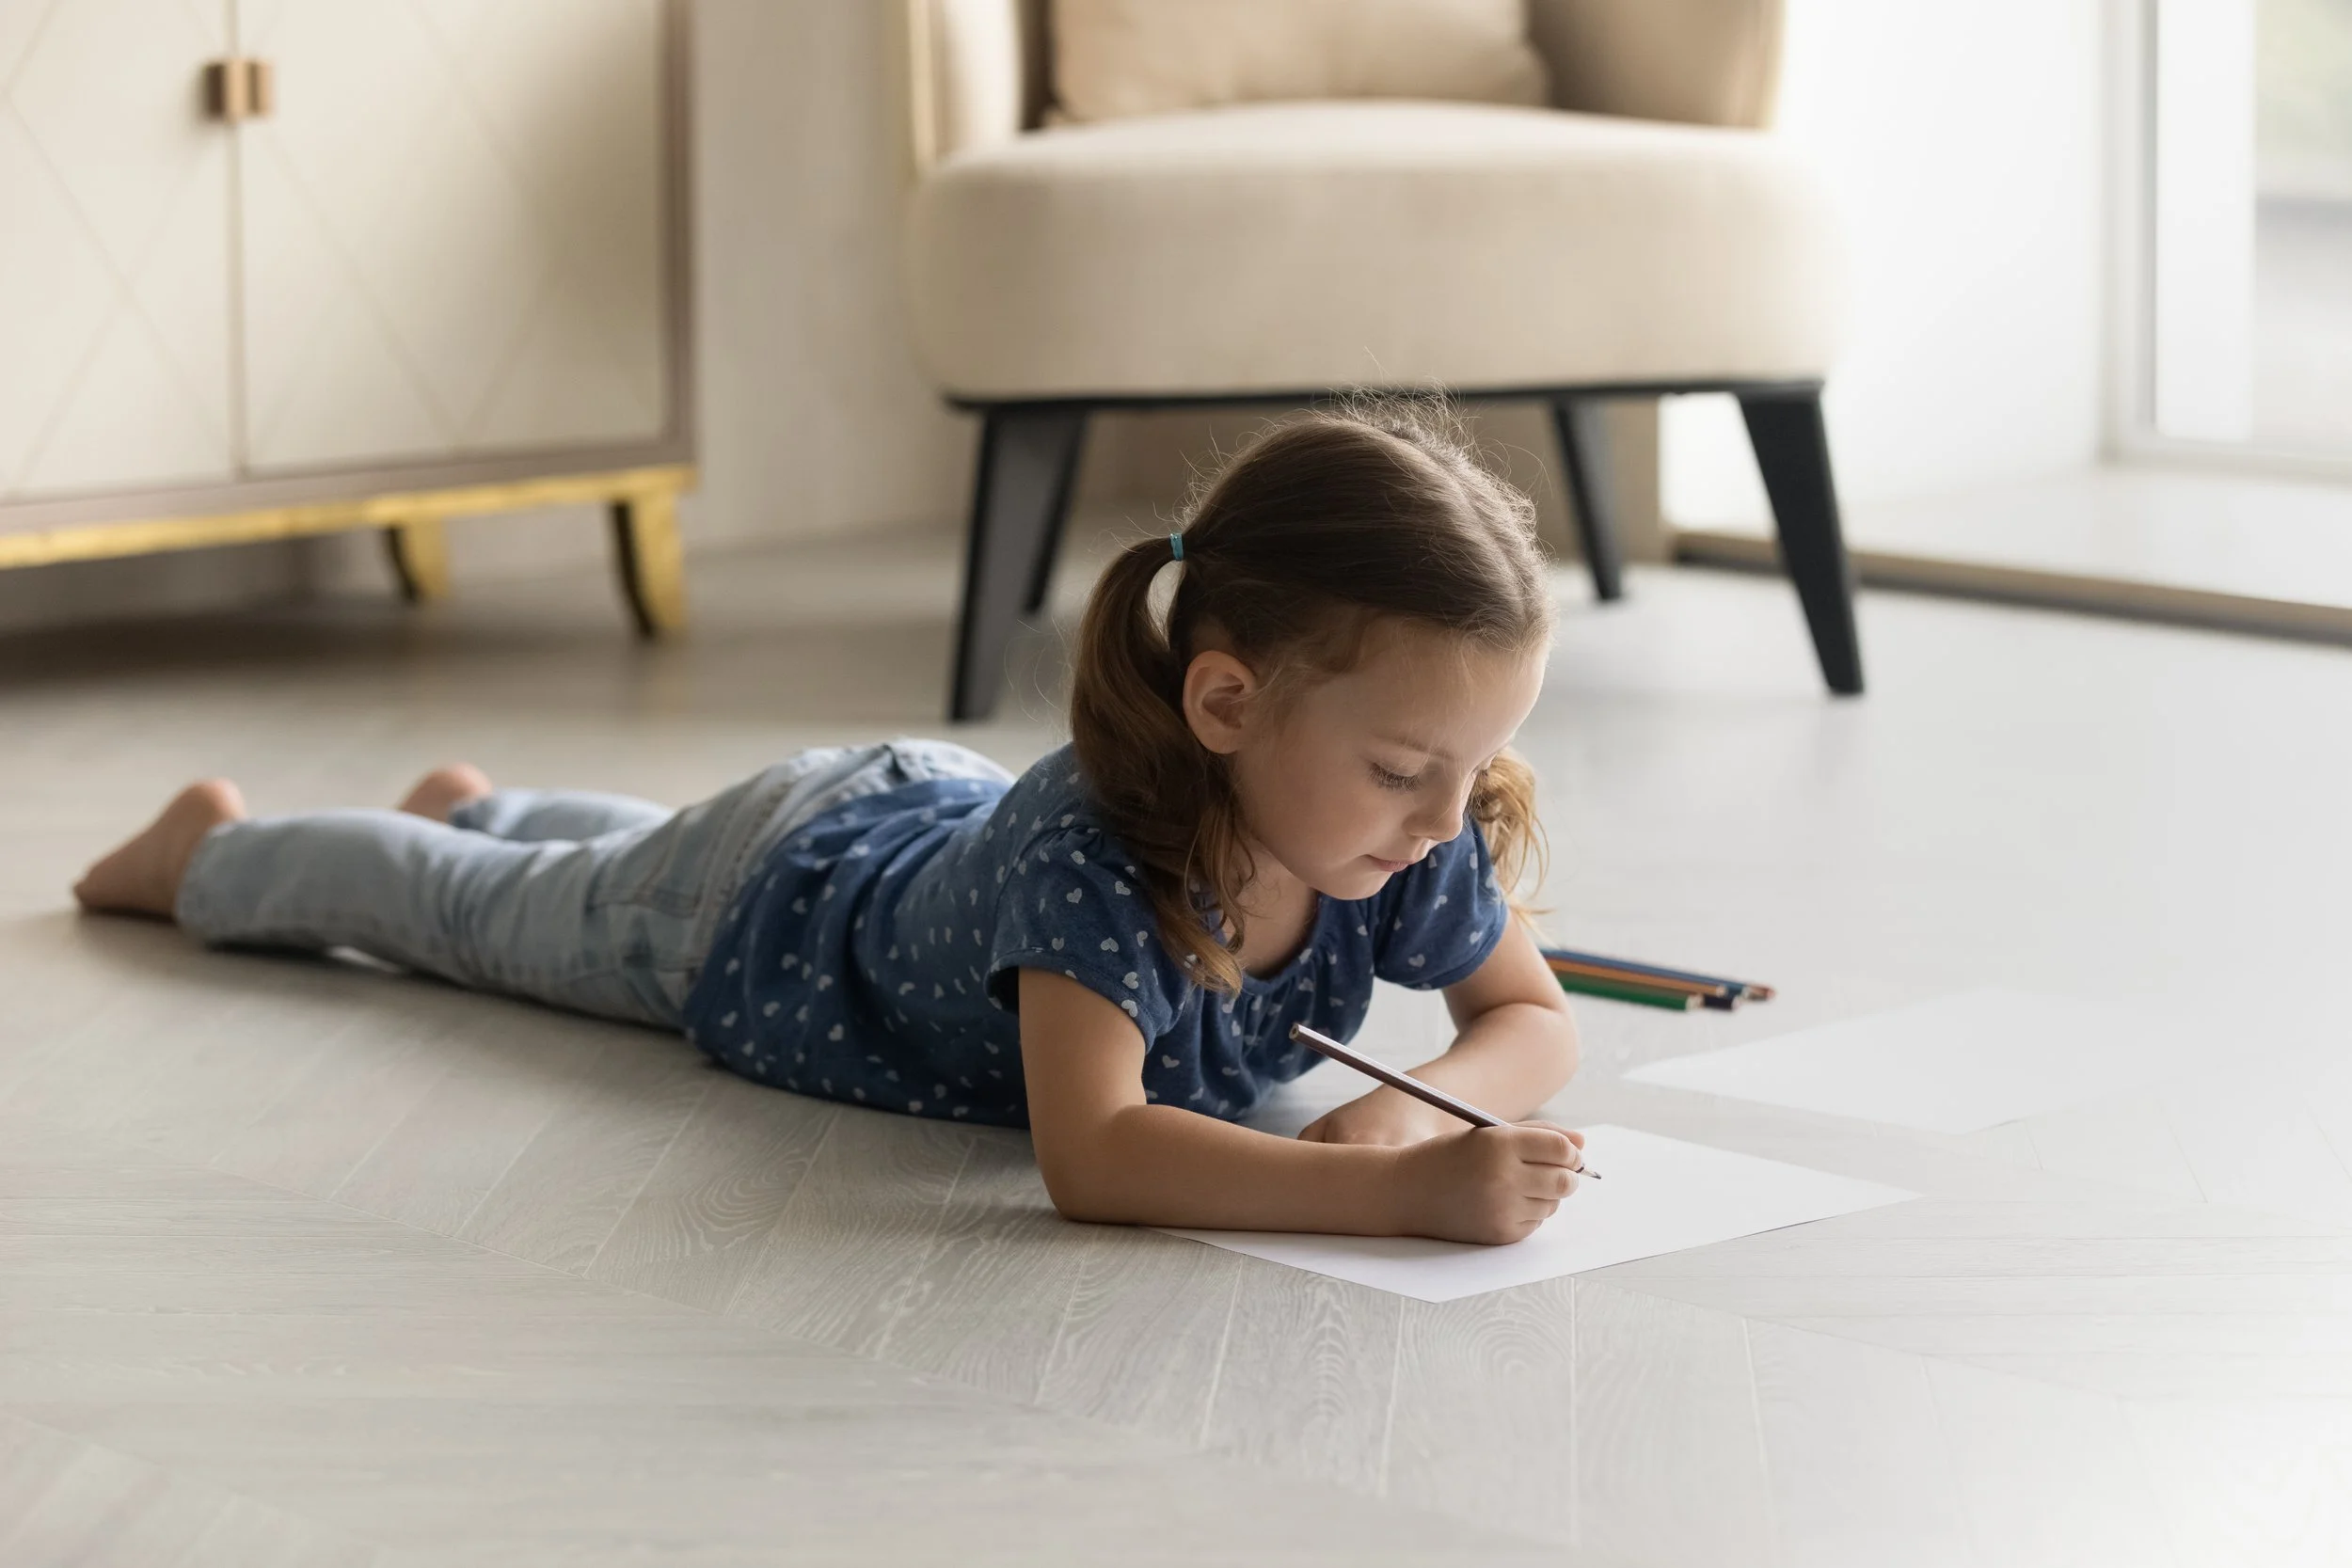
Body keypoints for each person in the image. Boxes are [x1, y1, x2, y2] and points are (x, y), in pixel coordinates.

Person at [74, 404, 1588, 1244]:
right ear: (1226, 703)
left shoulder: (1400, 832)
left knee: (602, 868)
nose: (1445, 816)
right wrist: (1384, 1191)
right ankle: (207, 854)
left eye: (1474, 766)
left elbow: (1528, 1014)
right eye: (1406, 766)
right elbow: (1098, 1153)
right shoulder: (1093, 863)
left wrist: (1410, 1103)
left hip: (895, 822)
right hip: (762, 908)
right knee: (477, 917)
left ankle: (483, 809)